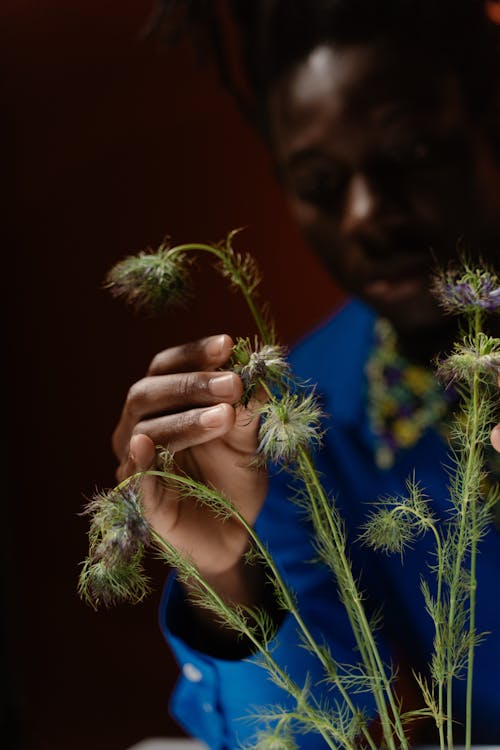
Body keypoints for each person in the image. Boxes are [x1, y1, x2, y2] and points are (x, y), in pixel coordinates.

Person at [111, 2, 500, 746]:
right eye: (321, 181)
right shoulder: (289, 418)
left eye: (412, 153)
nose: (365, 213)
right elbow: (307, 732)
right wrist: (224, 578)